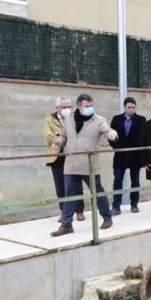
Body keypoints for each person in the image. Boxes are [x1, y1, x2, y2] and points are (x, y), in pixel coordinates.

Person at [50, 94, 117, 237]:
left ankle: (107, 218)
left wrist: (112, 134)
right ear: (79, 106)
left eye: (91, 106)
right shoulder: (69, 119)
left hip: (89, 164)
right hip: (71, 163)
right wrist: (58, 142)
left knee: (97, 192)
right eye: (87, 106)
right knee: (70, 195)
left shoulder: (99, 120)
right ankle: (66, 225)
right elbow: (64, 136)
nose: (90, 108)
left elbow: (107, 130)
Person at [43, 97, 85, 223]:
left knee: (76, 184)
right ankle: (64, 212)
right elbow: (48, 136)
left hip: (72, 156)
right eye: (64, 107)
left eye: (69, 107)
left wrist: (61, 136)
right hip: (57, 157)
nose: (67, 109)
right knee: (60, 186)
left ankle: (79, 211)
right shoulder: (49, 120)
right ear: (57, 108)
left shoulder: (75, 119)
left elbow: (79, 134)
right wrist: (62, 137)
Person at [109, 97, 146, 215]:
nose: (131, 109)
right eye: (129, 107)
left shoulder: (141, 119)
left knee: (135, 180)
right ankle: (116, 206)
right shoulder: (116, 119)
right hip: (120, 156)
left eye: (133, 107)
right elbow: (110, 135)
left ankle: (134, 204)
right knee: (117, 181)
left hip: (135, 156)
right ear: (124, 107)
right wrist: (116, 147)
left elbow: (143, 138)